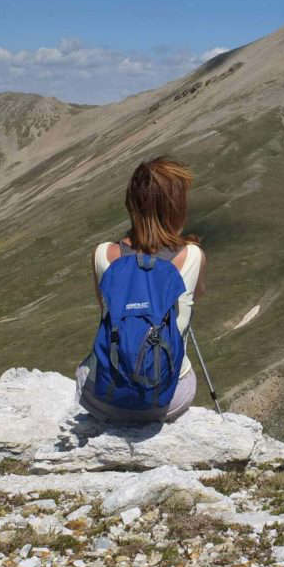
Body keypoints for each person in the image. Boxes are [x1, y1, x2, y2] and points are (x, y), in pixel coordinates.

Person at [76, 157, 207, 423]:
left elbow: (106, 306)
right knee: (185, 373)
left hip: (104, 398)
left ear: (131, 204)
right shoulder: (193, 256)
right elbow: (198, 294)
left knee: (85, 368)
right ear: (177, 208)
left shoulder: (103, 254)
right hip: (166, 400)